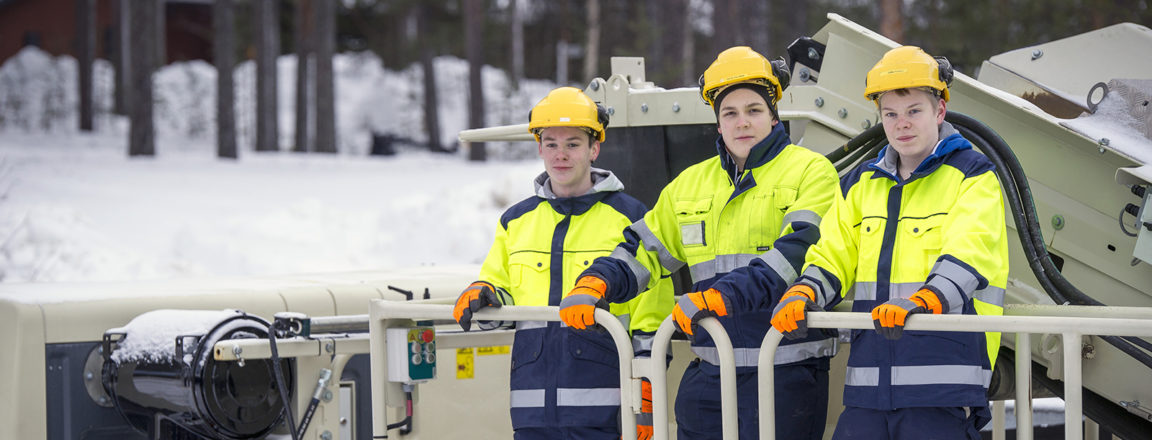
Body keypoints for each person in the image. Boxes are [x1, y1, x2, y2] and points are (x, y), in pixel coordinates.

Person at [558, 46, 840, 440]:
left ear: (774, 115)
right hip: (709, 372)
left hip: (786, 371)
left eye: (754, 110)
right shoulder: (689, 185)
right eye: (730, 113)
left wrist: (721, 296)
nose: (742, 122)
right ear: (718, 123)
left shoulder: (811, 171)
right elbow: (644, 250)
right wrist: (597, 281)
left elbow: (798, 253)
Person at [770, 46, 1009, 439]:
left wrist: (923, 301)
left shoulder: (973, 176)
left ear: (940, 112)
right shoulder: (862, 184)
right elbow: (834, 252)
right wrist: (804, 291)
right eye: (891, 114)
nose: (902, 124)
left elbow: (971, 249)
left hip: (942, 382)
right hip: (868, 383)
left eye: (914, 111)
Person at [452, 86, 673, 440]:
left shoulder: (630, 218)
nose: (561, 155)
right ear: (539, 148)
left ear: (594, 148)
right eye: (551, 143)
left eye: (572, 144)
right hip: (531, 407)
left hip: (608, 407)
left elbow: (653, 312)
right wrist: (485, 293)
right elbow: (502, 288)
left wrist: (646, 389)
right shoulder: (516, 220)